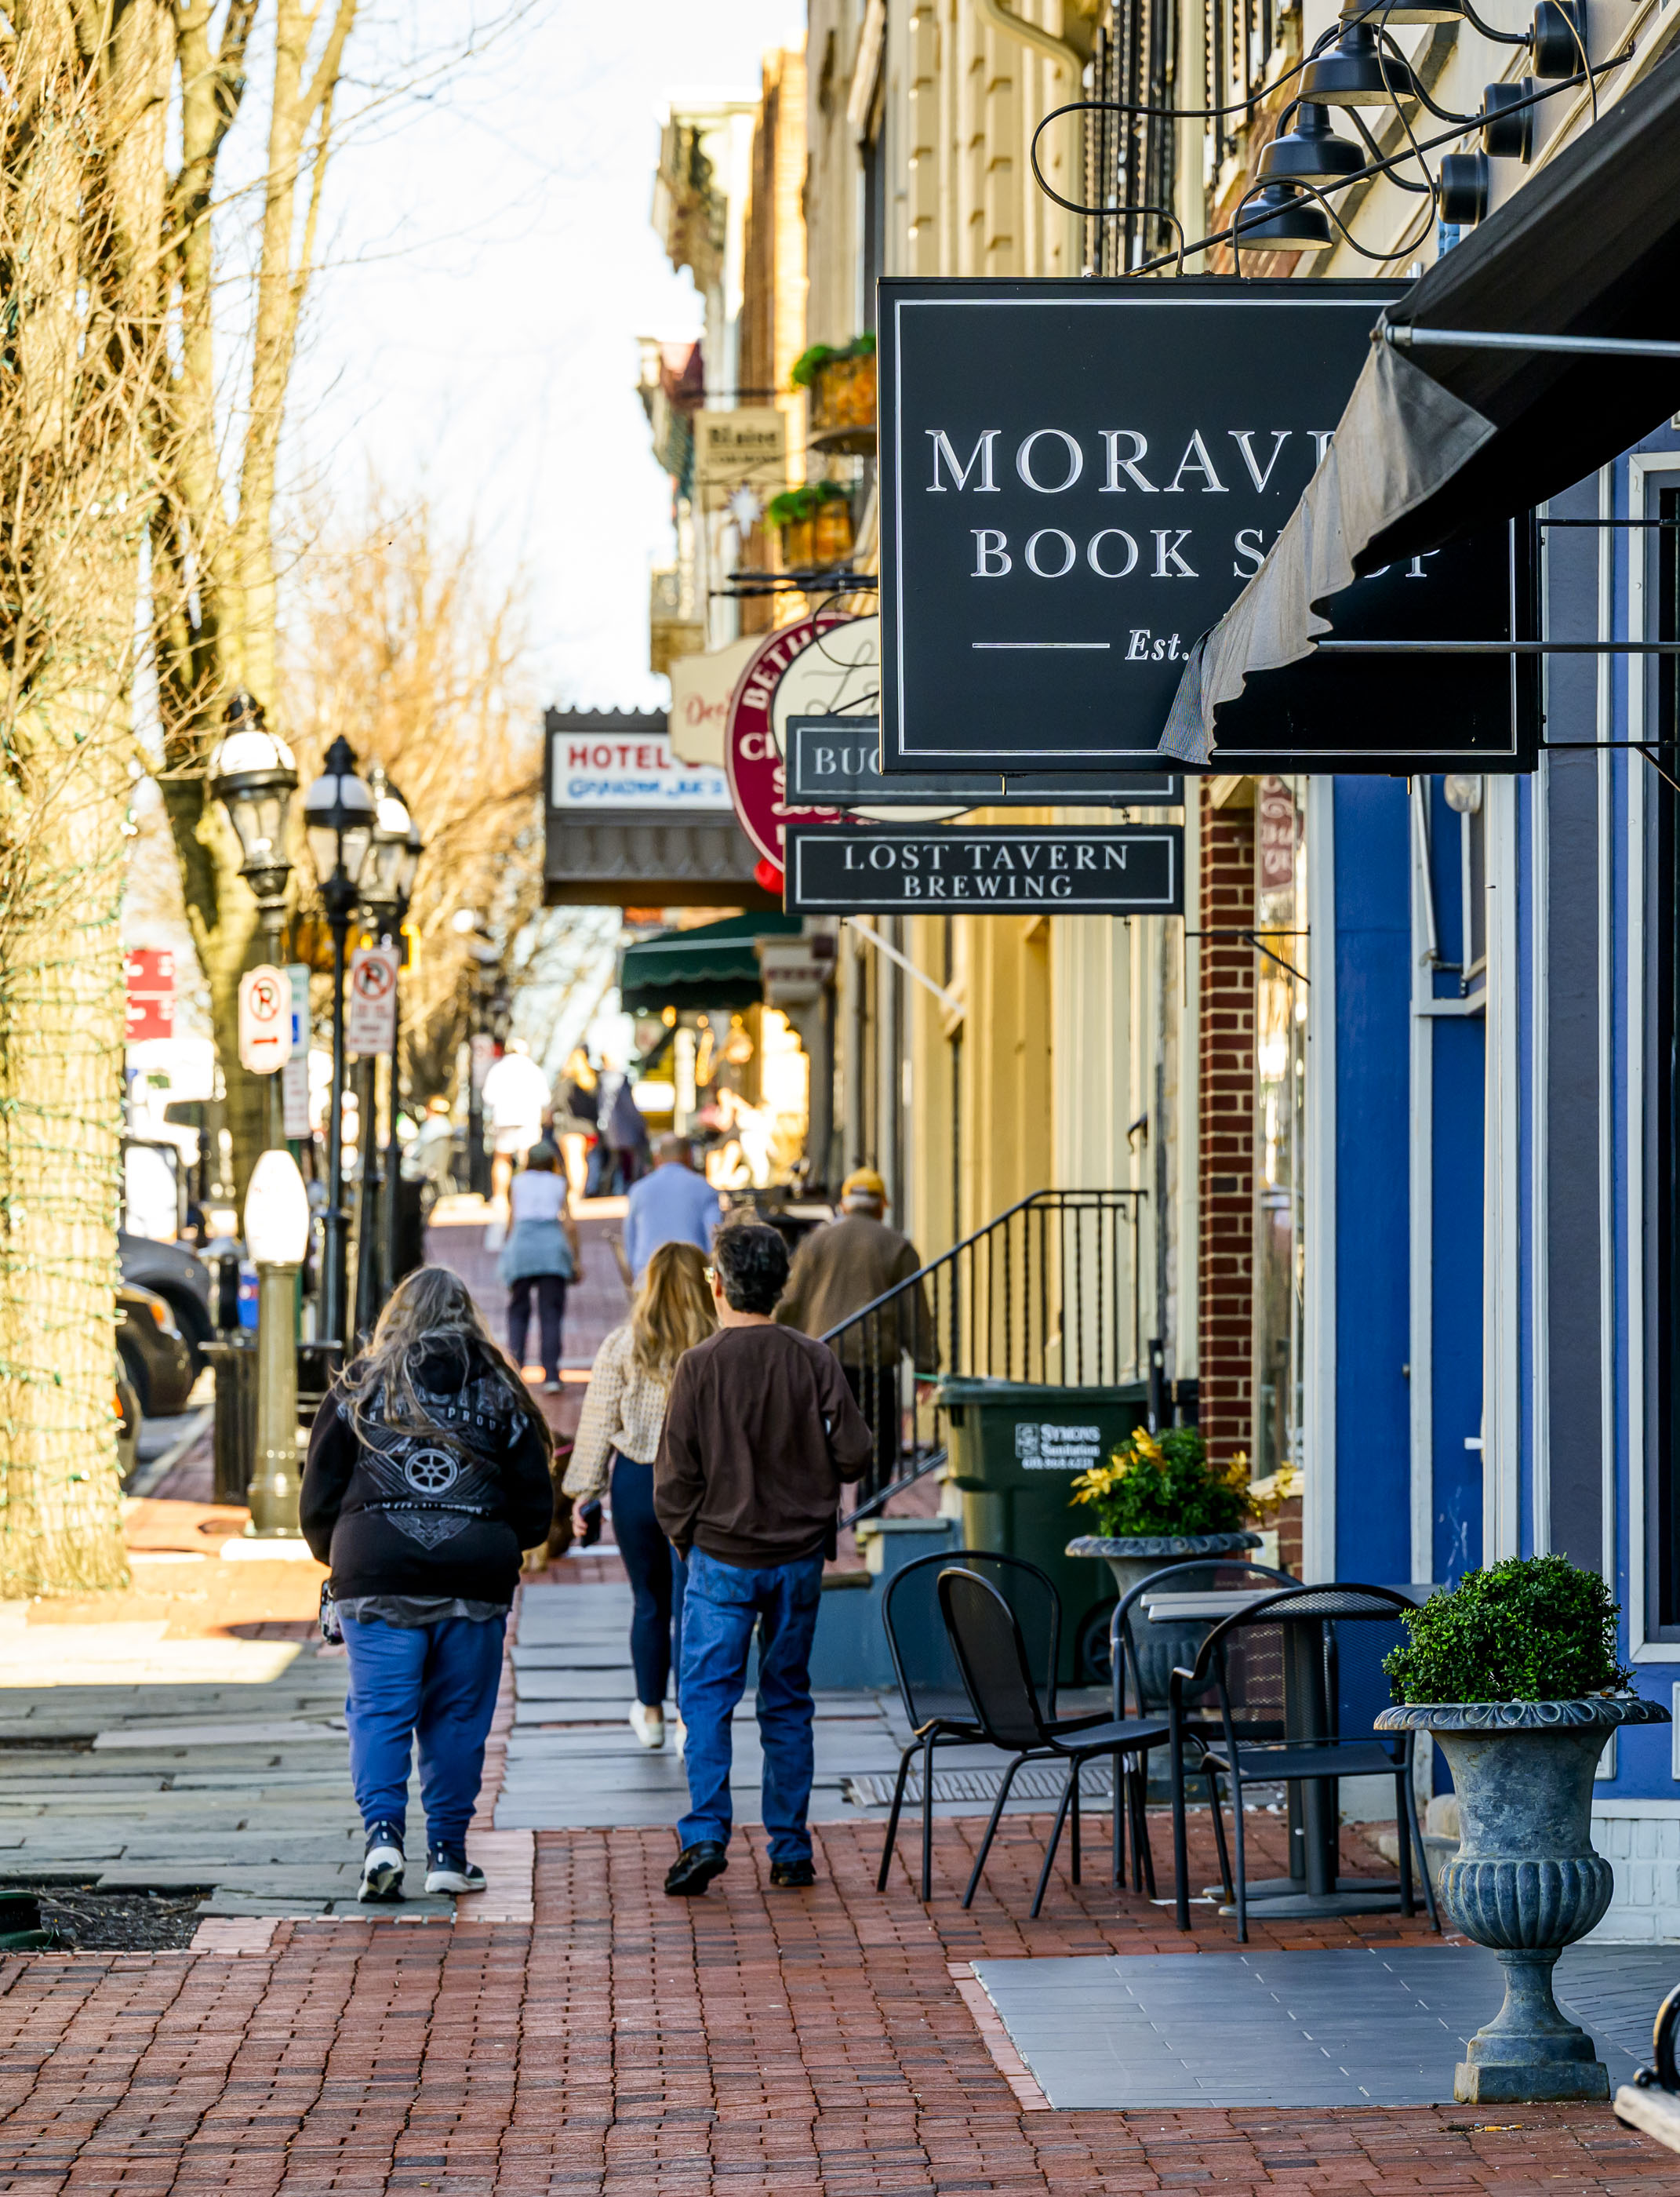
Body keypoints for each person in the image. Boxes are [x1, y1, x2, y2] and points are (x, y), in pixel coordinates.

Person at [300, 1266, 555, 1904]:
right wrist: (501, 1540)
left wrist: (342, 1556)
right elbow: (535, 1504)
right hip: (474, 1576)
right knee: (458, 1717)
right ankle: (448, 1853)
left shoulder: (360, 1385)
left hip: (377, 1570)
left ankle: (383, 1840)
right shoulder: (502, 1389)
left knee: (380, 1711)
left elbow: (319, 1494)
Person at [653, 1223, 872, 1897]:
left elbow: (674, 1480)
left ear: (717, 1284)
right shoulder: (814, 1358)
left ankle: (706, 1833)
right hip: (798, 1556)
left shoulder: (699, 1365)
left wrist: (688, 1540)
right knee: (787, 1698)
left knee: (707, 1698)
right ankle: (790, 1848)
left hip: (721, 1554)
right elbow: (856, 1453)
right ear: (782, 1286)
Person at [563, 1241, 716, 1750]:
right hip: (695, 1485)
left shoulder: (623, 1344)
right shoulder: (716, 1342)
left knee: (648, 1602)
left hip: (635, 1483)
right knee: (692, 1603)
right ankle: (689, 1718)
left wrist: (584, 1493)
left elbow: (597, 1423)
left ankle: (650, 1712)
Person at [774, 1168, 936, 1469]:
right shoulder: (897, 1246)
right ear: (881, 1206)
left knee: (819, 1444)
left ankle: (827, 1496)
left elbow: (792, 1302)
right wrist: (926, 1369)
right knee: (880, 1447)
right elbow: (914, 1313)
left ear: (844, 1205)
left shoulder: (815, 1242)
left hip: (821, 1356)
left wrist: (776, 1346)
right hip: (873, 1361)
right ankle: (869, 1498)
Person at [497, 1143, 580, 1392]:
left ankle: (515, 1370)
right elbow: (570, 1225)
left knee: (517, 1311)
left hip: (522, 1247)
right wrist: (576, 1259)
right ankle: (552, 1375)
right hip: (552, 1249)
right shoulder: (559, 1183)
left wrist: (507, 1252)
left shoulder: (517, 1182)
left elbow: (511, 1221)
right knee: (551, 1313)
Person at [623, 1133, 721, 1280]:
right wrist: (710, 1281)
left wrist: (638, 1279)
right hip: (692, 1278)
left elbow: (630, 1241)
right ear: (689, 1156)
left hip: (648, 1277)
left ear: (658, 1157)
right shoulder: (705, 1189)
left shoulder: (638, 1190)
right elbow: (713, 1239)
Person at [482, 1039, 551, 1213]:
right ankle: (527, 1196)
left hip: (504, 1119)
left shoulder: (498, 1069)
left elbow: (488, 1097)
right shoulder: (534, 1069)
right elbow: (545, 1098)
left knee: (502, 1159)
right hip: (528, 1119)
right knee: (527, 1158)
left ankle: (500, 1197)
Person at [597, 1062, 651, 1193]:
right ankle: (624, 1190)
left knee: (616, 1162)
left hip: (612, 1131)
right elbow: (629, 1108)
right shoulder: (620, 1081)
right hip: (626, 1131)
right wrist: (640, 1124)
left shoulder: (602, 1082)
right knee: (630, 1164)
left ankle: (610, 1189)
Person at [555, 1049, 599, 1201]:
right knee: (582, 1161)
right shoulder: (592, 1083)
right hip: (589, 1129)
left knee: (574, 1161)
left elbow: (558, 1103)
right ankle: (581, 1190)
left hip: (570, 1128)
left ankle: (575, 1192)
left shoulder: (567, 1083)